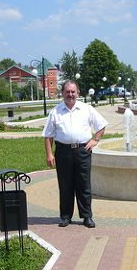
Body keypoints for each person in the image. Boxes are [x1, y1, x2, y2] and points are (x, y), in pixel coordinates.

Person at [42, 80, 108, 228]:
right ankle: (65, 216)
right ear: (63, 93)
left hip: (83, 151)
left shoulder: (86, 109)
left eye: (73, 92)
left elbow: (102, 125)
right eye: (67, 92)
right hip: (63, 152)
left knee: (84, 184)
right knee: (65, 185)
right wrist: (49, 154)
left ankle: (87, 217)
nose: (70, 95)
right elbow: (48, 135)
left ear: (78, 93)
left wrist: (95, 139)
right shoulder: (55, 111)